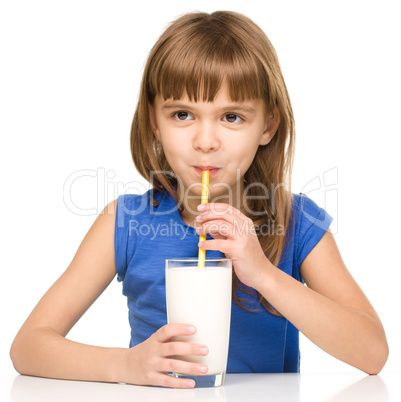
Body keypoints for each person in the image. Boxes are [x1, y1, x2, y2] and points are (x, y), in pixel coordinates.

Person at [10, 10, 388, 389]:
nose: (205, 141)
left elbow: (372, 353)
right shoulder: (125, 222)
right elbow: (28, 347)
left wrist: (264, 275)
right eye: (182, 114)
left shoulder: (297, 223)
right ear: (154, 121)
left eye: (232, 117)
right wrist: (123, 365)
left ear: (268, 126)